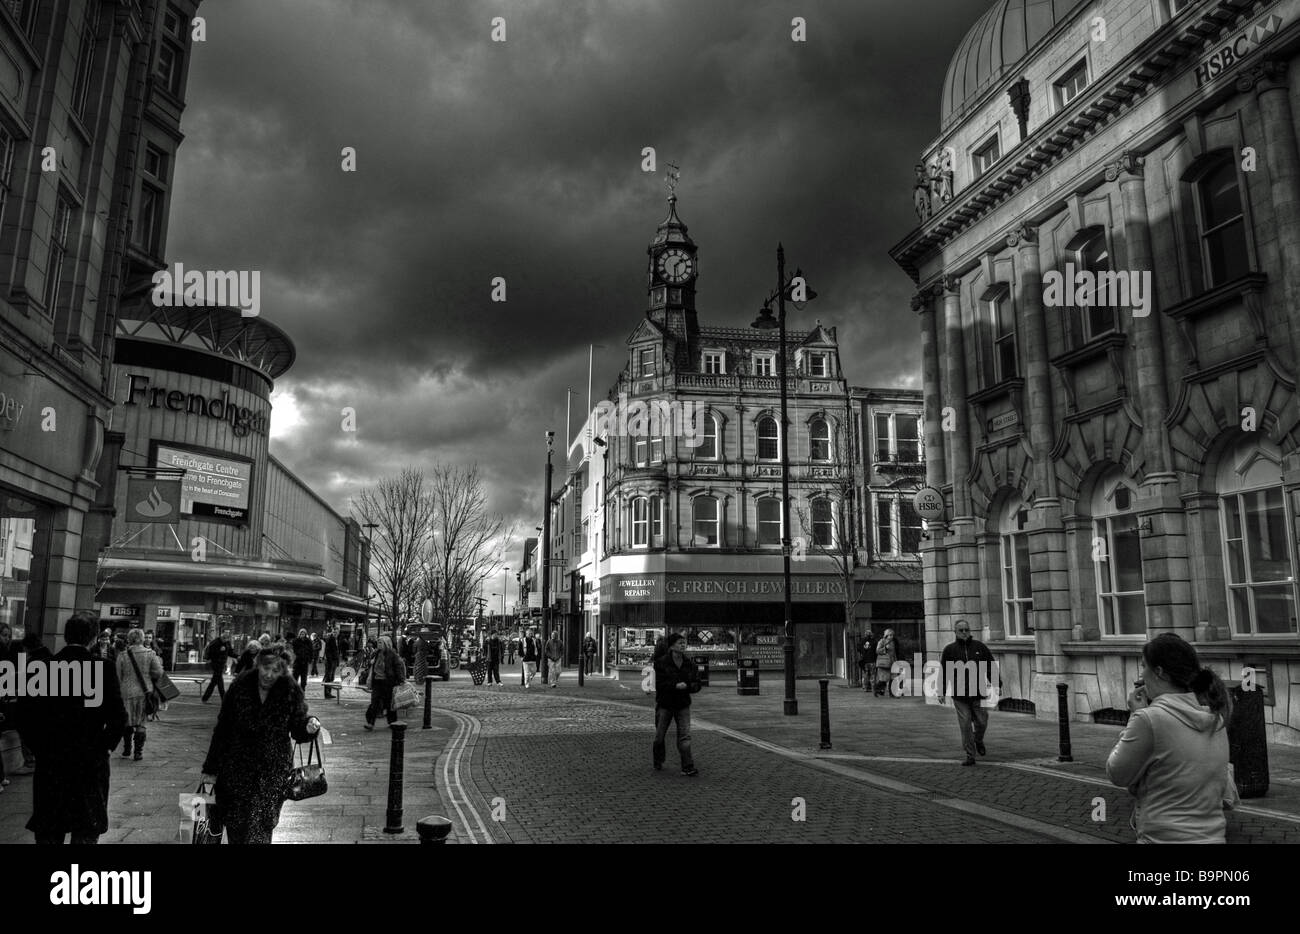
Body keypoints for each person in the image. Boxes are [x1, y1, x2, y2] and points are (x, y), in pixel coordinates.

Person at [1106, 633, 1235, 844]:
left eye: (1143, 666)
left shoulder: (1149, 719)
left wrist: (1134, 716)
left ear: (1159, 672)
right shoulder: (1216, 720)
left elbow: (1116, 773)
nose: (1141, 674)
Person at [17, 612, 127, 843]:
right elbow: (118, 717)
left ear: (66, 636)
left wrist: (39, 749)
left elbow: (25, 716)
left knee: (50, 827)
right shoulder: (102, 669)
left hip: (52, 760)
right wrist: (104, 747)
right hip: (89, 761)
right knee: (86, 828)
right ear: (93, 638)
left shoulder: (42, 668)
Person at [200, 644, 321, 844]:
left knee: (261, 829)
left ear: (283, 672)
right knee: (236, 826)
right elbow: (223, 728)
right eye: (266, 669)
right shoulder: (241, 685)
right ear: (259, 665)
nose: (269, 675)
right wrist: (211, 769)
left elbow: (298, 725)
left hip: (271, 772)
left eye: (276, 671)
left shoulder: (290, 690)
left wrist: (309, 726)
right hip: (236, 769)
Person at [937, 619, 997, 765]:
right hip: (960, 694)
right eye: (961, 630)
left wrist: (996, 684)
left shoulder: (979, 647)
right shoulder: (949, 650)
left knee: (982, 722)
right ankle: (970, 755)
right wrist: (941, 691)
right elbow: (944, 672)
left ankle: (978, 740)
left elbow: (991, 666)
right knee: (965, 725)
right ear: (955, 632)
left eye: (966, 630)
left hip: (978, 692)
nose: (964, 633)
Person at [652, 633, 701, 776]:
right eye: (680, 643)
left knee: (685, 736)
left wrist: (689, 686)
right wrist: (675, 685)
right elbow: (660, 684)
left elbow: (697, 683)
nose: (683, 645)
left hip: (682, 704)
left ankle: (687, 766)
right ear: (672, 645)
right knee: (659, 736)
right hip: (665, 704)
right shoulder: (661, 662)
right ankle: (658, 760)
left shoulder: (689, 664)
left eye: (684, 643)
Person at [116, 628, 162, 760]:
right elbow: (158, 673)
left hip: (126, 692)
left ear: (129, 639)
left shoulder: (123, 655)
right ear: (142, 639)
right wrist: (148, 675)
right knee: (141, 722)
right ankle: (138, 752)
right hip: (145, 691)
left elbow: (118, 676)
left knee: (127, 720)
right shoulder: (150, 654)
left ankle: (126, 749)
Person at [364, 635, 406, 731]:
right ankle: (370, 723)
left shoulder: (392, 654)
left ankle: (392, 722)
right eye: (378, 642)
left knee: (389, 703)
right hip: (377, 681)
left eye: (380, 642)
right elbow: (372, 668)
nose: (378, 644)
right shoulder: (376, 653)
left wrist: (401, 680)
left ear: (386, 644)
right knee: (374, 702)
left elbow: (398, 667)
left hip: (388, 682)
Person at [202, 630, 234, 703]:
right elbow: (211, 655)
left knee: (215, 682)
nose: (226, 638)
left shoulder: (227, 643)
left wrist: (237, 656)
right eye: (224, 636)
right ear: (221, 636)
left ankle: (205, 698)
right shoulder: (215, 643)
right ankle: (224, 699)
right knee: (218, 683)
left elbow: (230, 653)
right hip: (216, 665)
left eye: (227, 636)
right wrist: (220, 651)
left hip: (221, 664)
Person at [873, 629, 896, 697]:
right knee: (884, 679)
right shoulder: (882, 641)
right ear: (886, 635)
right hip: (884, 663)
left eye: (892, 635)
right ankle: (876, 689)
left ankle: (892, 694)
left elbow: (894, 653)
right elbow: (877, 651)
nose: (892, 636)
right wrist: (885, 648)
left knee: (893, 678)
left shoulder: (893, 642)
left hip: (892, 662)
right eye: (890, 635)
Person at [323, 627, 340, 699]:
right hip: (330, 661)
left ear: (338, 633)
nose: (335, 634)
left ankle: (329, 692)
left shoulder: (336, 639)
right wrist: (330, 661)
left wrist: (337, 661)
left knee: (331, 677)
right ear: (332, 633)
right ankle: (327, 693)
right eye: (334, 632)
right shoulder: (330, 639)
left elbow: (336, 651)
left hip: (334, 660)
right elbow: (327, 651)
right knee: (328, 677)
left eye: (336, 632)